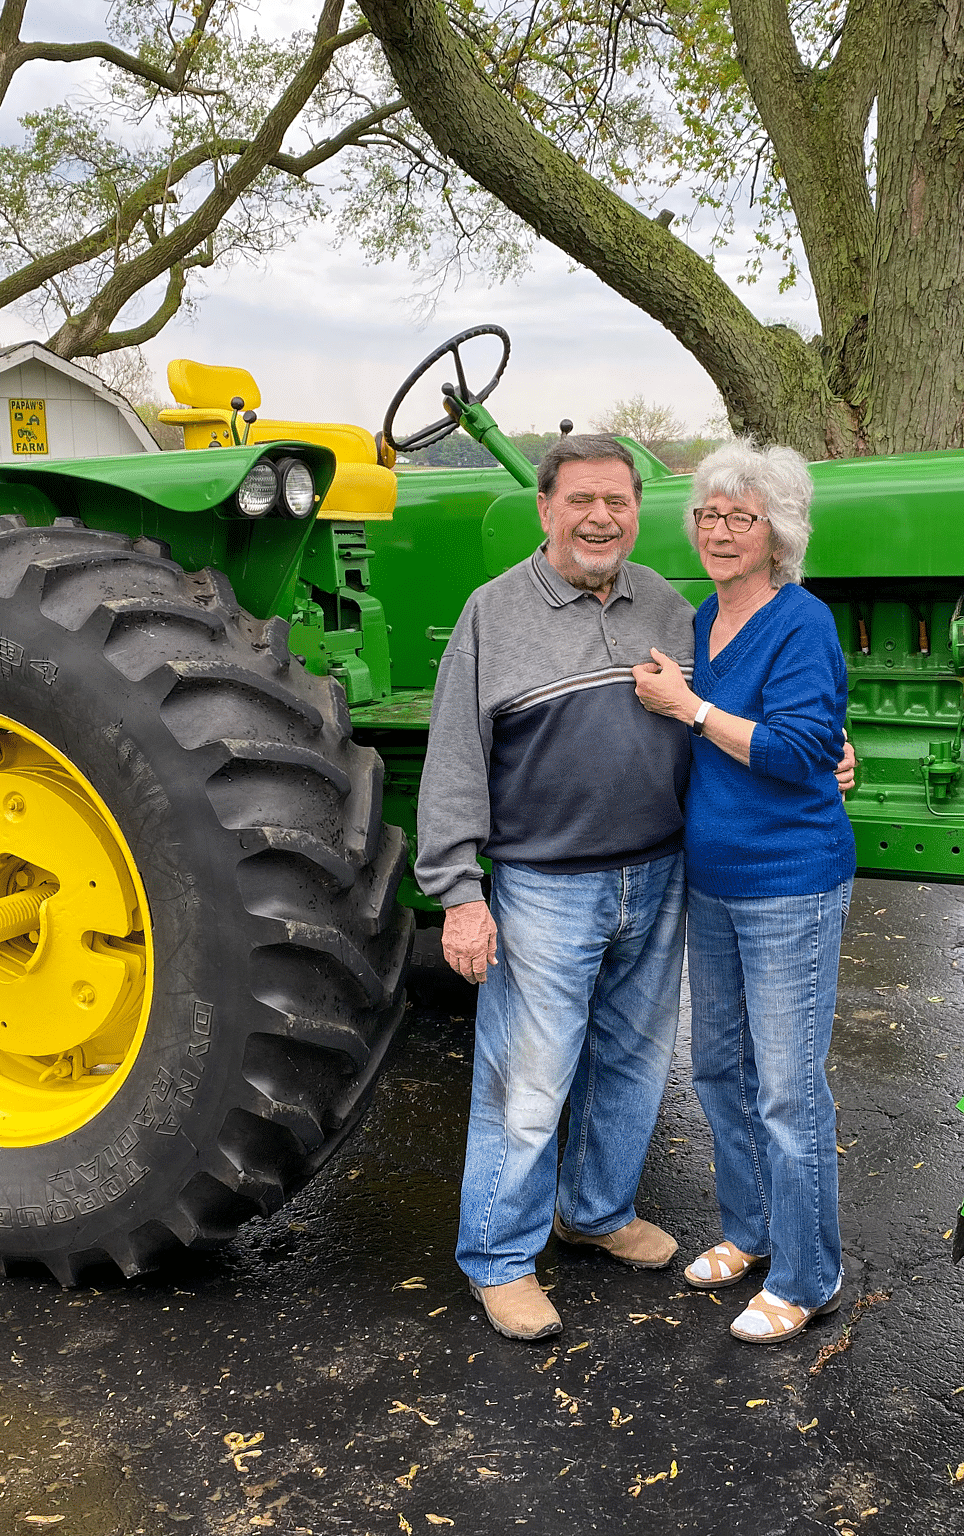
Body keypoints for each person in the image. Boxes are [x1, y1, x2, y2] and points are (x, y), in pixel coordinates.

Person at [416, 433, 697, 1342]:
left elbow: (719, 718)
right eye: (581, 500)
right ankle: (499, 1258)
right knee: (528, 1084)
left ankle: (599, 1212)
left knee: (631, 1063)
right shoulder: (493, 613)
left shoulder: (664, 602)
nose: (600, 518)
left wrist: (823, 755)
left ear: (636, 512)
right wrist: (460, 894)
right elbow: (454, 759)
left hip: (657, 874)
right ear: (546, 510)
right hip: (544, 887)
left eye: (617, 501)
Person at [631, 439, 857, 1344]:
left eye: (743, 517)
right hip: (713, 881)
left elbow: (800, 746)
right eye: (709, 515)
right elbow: (797, 745)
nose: (721, 532)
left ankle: (809, 1276)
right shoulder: (695, 623)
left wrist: (691, 710)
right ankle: (752, 1232)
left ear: (779, 535)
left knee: (789, 1090)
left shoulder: (802, 623)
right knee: (722, 1068)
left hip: (788, 884)